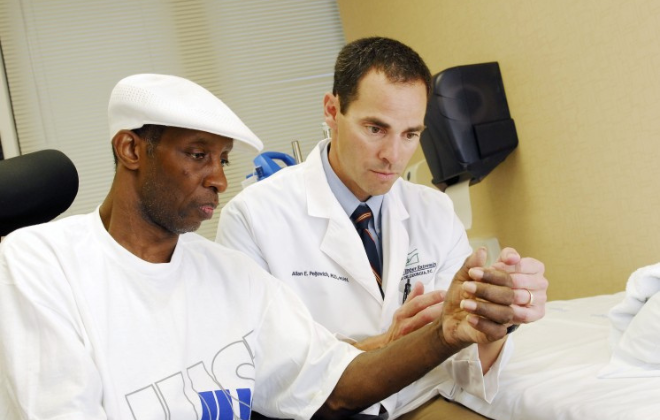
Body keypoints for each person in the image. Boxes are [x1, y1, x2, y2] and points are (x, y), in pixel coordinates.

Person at [0, 73, 518, 420]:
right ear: (132, 149)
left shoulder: (230, 275)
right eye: (197, 155)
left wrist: (448, 334)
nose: (218, 180)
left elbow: (334, 383)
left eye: (222, 160)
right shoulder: (39, 263)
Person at [216, 37, 549, 418]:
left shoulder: (434, 210)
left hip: (416, 404)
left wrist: (496, 320)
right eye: (375, 129)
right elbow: (268, 374)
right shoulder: (253, 217)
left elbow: (461, 361)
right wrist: (388, 346)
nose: (393, 155)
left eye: (410, 134)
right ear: (331, 109)